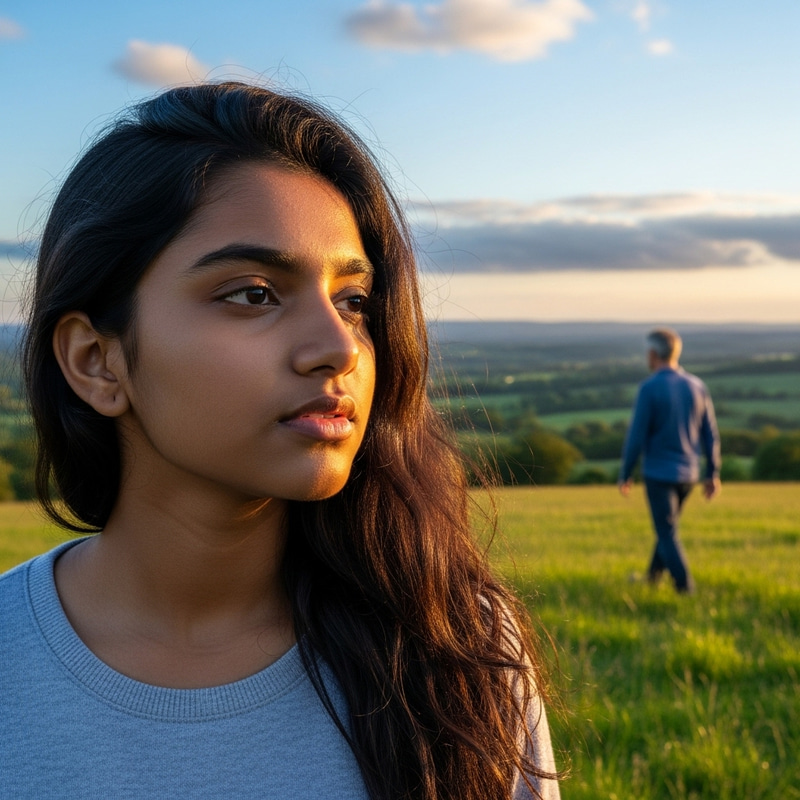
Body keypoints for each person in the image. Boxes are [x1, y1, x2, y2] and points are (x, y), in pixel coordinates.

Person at [0, 82, 560, 799]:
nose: (339, 347)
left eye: (353, 301)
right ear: (95, 361)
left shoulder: (452, 647)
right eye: (254, 293)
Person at [618, 327, 721, 594]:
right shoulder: (697, 386)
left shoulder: (649, 388)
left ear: (652, 354)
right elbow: (710, 434)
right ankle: (651, 579)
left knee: (666, 532)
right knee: (667, 528)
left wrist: (625, 472)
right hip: (689, 474)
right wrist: (713, 472)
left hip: (659, 474)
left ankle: (685, 588)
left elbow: (636, 436)